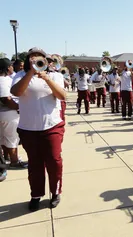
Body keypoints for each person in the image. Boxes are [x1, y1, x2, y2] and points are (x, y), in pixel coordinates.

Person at [11, 47, 66, 211]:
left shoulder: (55, 75)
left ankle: (55, 192)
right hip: (28, 128)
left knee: (54, 161)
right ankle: (36, 195)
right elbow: (16, 92)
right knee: (35, 164)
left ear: (46, 60)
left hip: (51, 125)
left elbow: (62, 96)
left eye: (39, 57)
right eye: (32, 57)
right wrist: (30, 74)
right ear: (28, 60)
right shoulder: (20, 76)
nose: (35, 59)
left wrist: (46, 78)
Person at [0, 58, 27, 168]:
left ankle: (6, 158)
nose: (12, 67)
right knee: (12, 138)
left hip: (5, 113)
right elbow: (6, 99)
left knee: (4, 138)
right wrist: (20, 108)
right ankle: (14, 161)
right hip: (9, 113)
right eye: (11, 66)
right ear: (7, 68)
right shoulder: (2, 80)